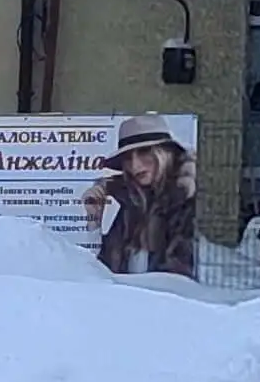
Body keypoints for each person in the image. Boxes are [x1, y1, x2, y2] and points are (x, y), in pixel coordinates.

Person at [83, 116, 199, 279]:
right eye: (128, 158)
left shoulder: (190, 205)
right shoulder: (132, 205)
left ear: (164, 154)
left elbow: (182, 275)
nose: (135, 165)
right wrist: (94, 220)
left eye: (145, 152)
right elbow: (101, 272)